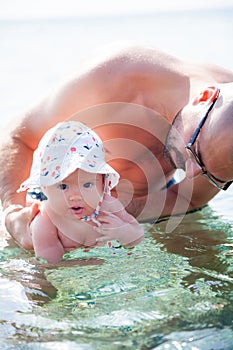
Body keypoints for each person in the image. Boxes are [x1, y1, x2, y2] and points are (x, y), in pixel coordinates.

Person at [1, 43, 233, 250]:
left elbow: (190, 199)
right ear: (204, 97)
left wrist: (123, 213)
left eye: (212, 176)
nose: (191, 174)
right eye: (194, 152)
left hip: (145, 204)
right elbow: (16, 138)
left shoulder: (222, 133)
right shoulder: (112, 76)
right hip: (55, 197)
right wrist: (13, 213)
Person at [16, 121, 144, 263]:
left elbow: (138, 236)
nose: (76, 196)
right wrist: (85, 266)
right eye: (63, 187)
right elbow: (50, 264)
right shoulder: (46, 221)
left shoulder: (108, 206)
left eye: (87, 184)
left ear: (103, 183)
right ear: (45, 187)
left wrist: (124, 232)